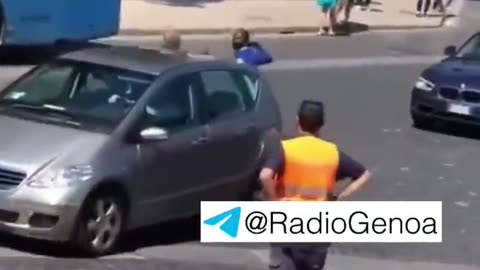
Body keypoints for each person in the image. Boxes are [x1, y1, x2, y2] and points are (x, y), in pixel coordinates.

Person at [260, 100, 372, 270]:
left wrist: (275, 201)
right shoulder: (331, 152)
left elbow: (265, 176)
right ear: (321, 125)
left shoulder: (285, 149)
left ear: (298, 121)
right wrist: (338, 197)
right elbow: (364, 175)